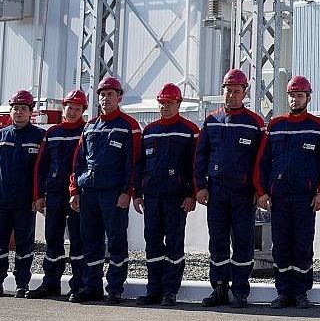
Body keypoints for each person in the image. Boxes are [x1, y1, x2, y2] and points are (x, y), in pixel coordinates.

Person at [255, 75, 320, 310]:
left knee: (302, 245)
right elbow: (262, 161)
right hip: (279, 197)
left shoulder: (319, 126)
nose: (295, 99)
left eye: (300, 95)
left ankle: (300, 293)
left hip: (305, 198)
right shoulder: (275, 125)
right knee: (280, 246)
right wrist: (262, 191)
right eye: (291, 95)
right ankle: (283, 292)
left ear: (308, 98)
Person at [194, 68, 266, 308]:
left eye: (237, 91)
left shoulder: (255, 123)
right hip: (216, 191)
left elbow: (262, 160)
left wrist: (258, 189)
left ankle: (240, 291)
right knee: (218, 241)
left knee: (243, 242)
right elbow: (201, 155)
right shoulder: (212, 120)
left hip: (244, 193)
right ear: (222, 91)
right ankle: (219, 288)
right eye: (228, 91)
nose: (232, 95)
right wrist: (201, 186)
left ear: (244, 93)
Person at [68, 76, 142, 304]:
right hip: (88, 192)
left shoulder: (129, 126)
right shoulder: (90, 126)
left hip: (114, 194)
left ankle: (115, 288)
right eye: (102, 94)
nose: (105, 98)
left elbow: (134, 162)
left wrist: (127, 191)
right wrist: (74, 190)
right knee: (90, 241)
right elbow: (79, 160)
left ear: (119, 97)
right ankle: (91, 287)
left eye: (110, 94)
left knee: (117, 242)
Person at [133, 83, 199, 307]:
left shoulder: (189, 130)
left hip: (176, 198)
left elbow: (194, 166)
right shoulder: (149, 131)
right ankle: (154, 289)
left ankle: (170, 291)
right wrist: (137, 193)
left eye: (170, 103)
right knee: (152, 243)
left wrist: (191, 194)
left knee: (173, 243)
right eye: (162, 102)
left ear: (179, 104)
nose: (165, 106)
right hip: (152, 197)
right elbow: (140, 164)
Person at [0, 90, 46, 299]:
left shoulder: (39, 136)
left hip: (26, 201)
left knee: (25, 244)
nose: (19, 112)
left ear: (31, 112)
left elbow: (42, 169)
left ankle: (22, 284)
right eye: (15, 108)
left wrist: (39, 196)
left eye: (23, 108)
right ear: (10, 111)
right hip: (1, 199)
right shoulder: (0, 136)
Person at [28, 89, 88, 299]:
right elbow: (41, 165)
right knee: (52, 237)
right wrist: (38, 195)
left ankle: (78, 285)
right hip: (54, 193)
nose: (73, 112)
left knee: (78, 239)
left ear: (83, 111)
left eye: (77, 109)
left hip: (77, 194)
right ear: (64, 107)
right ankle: (50, 283)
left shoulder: (87, 131)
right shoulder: (52, 132)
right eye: (70, 107)